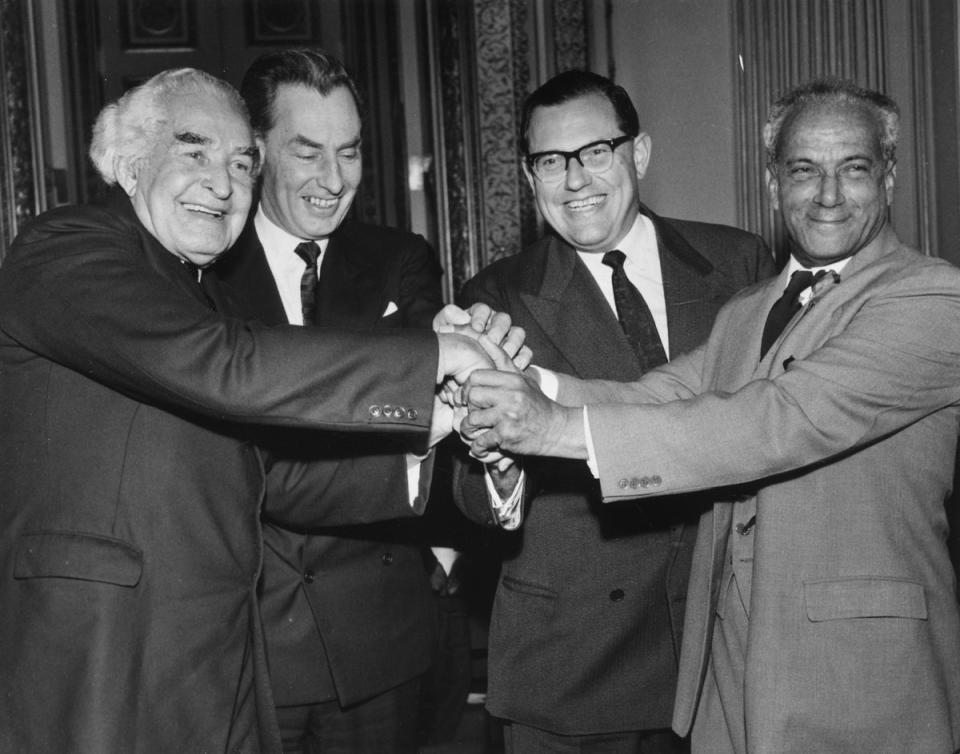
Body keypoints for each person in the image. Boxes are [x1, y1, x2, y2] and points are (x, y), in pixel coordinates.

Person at [0, 67, 494, 753]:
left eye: (241, 163)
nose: (225, 183)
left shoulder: (204, 299)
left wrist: (444, 418)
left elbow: (279, 476)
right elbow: (224, 364)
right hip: (105, 659)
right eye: (195, 150)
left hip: (223, 669)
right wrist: (435, 357)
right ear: (131, 161)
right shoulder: (68, 249)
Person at [461, 78, 960, 753]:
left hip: (859, 680)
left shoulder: (934, 298)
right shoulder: (751, 307)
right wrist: (520, 381)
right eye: (804, 170)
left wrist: (551, 427)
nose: (828, 194)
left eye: (855, 169)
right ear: (774, 182)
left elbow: (774, 419)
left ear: (891, 178)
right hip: (729, 679)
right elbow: (657, 394)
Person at [453, 70, 773, 753]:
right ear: (529, 176)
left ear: (640, 154)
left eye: (596, 152)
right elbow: (470, 497)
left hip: (723, 654)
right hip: (572, 670)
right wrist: (497, 456)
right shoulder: (496, 300)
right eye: (551, 161)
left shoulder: (740, 263)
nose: (575, 180)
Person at [213, 48, 448, 753]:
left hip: (377, 642)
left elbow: (432, 417)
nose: (334, 180)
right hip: (247, 640)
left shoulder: (399, 259)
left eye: (349, 153)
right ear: (254, 153)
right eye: (307, 152)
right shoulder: (202, 269)